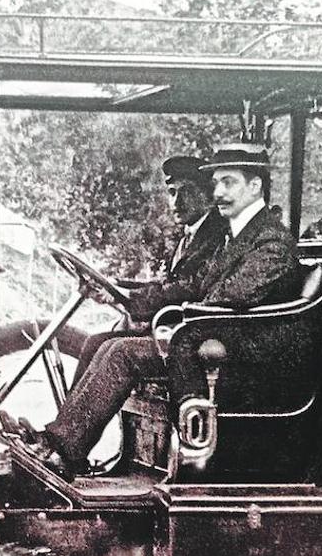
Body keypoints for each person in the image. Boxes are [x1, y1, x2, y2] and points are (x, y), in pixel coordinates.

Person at [26, 143, 301, 480]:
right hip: (213, 340)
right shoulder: (239, 235)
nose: (218, 193)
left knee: (121, 352)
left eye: (228, 182)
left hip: (241, 352)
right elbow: (197, 286)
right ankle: (62, 445)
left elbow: (229, 299)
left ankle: (64, 449)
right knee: (112, 345)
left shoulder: (270, 239)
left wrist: (172, 324)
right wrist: (134, 300)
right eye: (216, 184)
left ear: (255, 185)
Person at [69, 155, 228, 386]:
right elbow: (167, 286)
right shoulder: (191, 234)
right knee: (96, 342)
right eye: (173, 192)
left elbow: (188, 289)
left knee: (103, 345)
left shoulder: (216, 235)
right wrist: (116, 285)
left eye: (187, 192)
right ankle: (69, 420)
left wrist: (129, 296)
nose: (177, 202)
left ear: (207, 195)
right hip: (174, 330)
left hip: (188, 339)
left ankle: (71, 422)